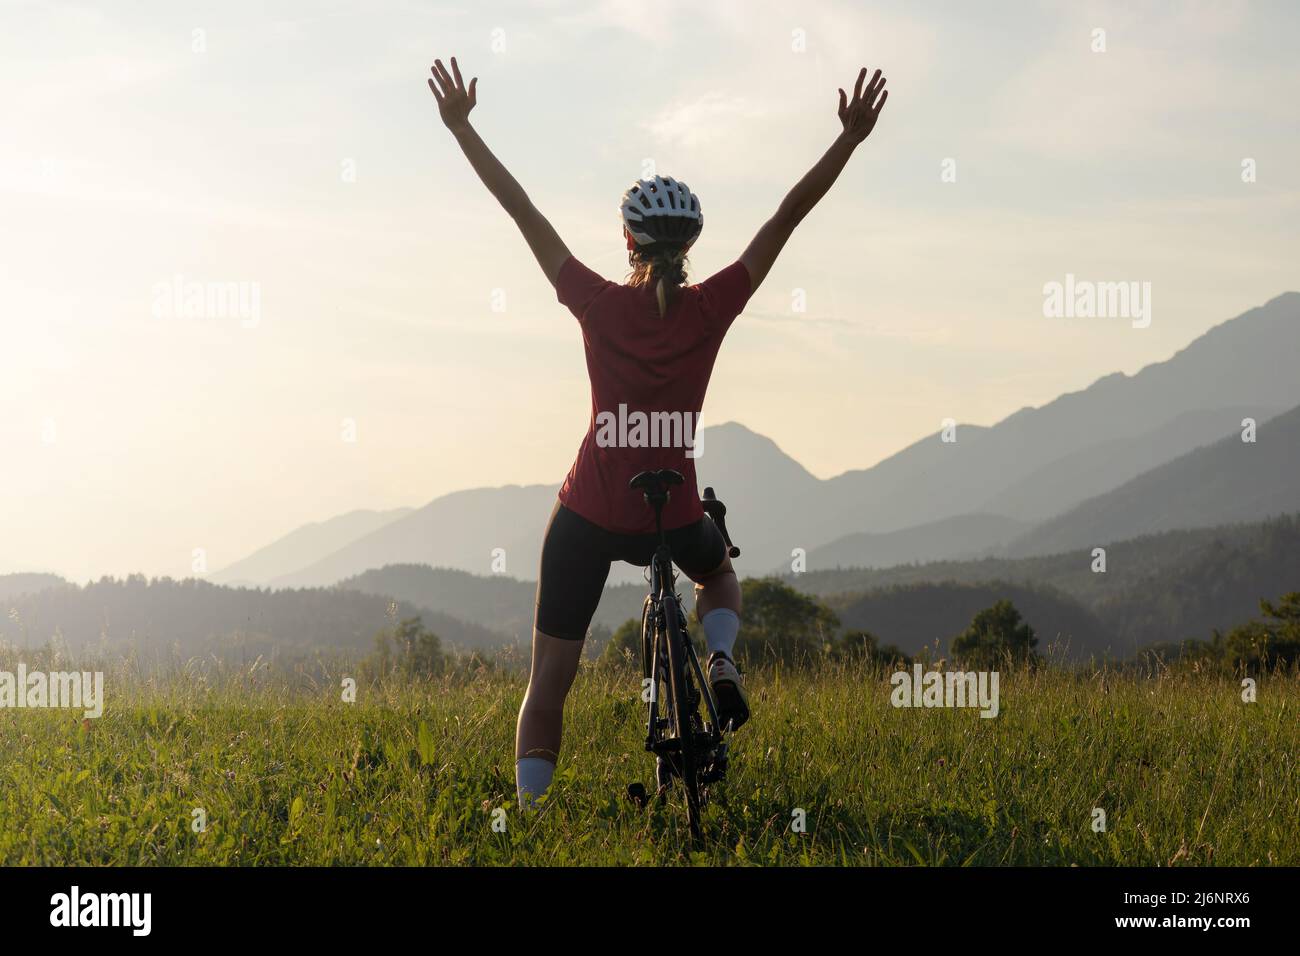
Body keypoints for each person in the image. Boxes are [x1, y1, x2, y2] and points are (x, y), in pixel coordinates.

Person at [426, 56, 889, 809]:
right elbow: (784, 219)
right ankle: (719, 658)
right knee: (720, 572)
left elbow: (524, 212)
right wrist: (849, 140)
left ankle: (534, 818)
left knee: (549, 685)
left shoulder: (597, 302)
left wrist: (463, 130)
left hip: (585, 515)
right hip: (670, 518)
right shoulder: (712, 308)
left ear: (630, 244)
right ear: (688, 246)